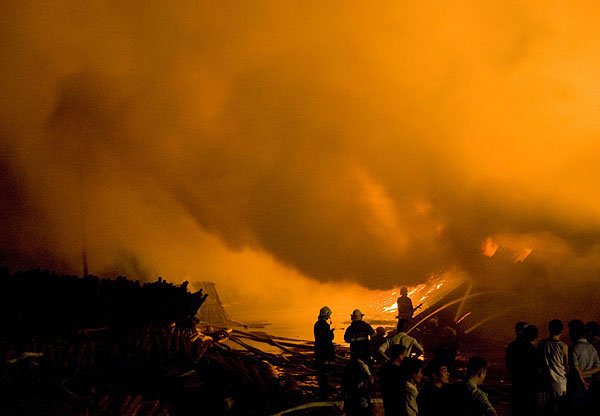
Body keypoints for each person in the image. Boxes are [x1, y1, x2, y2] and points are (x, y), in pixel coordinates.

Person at [568, 319, 600, 414]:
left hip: (576, 383)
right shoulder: (591, 347)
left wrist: (581, 377)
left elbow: (576, 368)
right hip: (589, 381)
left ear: (574, 333)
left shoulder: (573, 347)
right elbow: (598, 367)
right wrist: (585, 374)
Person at [538, 319, 568, 416]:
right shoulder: (563, 346)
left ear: (549, 329)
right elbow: (567, 365)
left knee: (547, 409)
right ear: (561, 331)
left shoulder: (542, 344)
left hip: (545, 381)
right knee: (560, 409)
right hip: (560, 383)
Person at [380, 344, 409, 415]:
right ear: (400, 355)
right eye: (405, 354)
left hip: (388, 405)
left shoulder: (384, 369)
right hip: (398, 406)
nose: (406, 356)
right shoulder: (398, 371)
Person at [314, 306, 335, 398]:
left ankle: (322, 389)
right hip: (326, 351)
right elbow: (328, 338)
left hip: (318, 350)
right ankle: (325, 391)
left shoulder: (316, 324)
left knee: (321, 370)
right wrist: (331, 332)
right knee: (326, 370)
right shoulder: (325, 325)